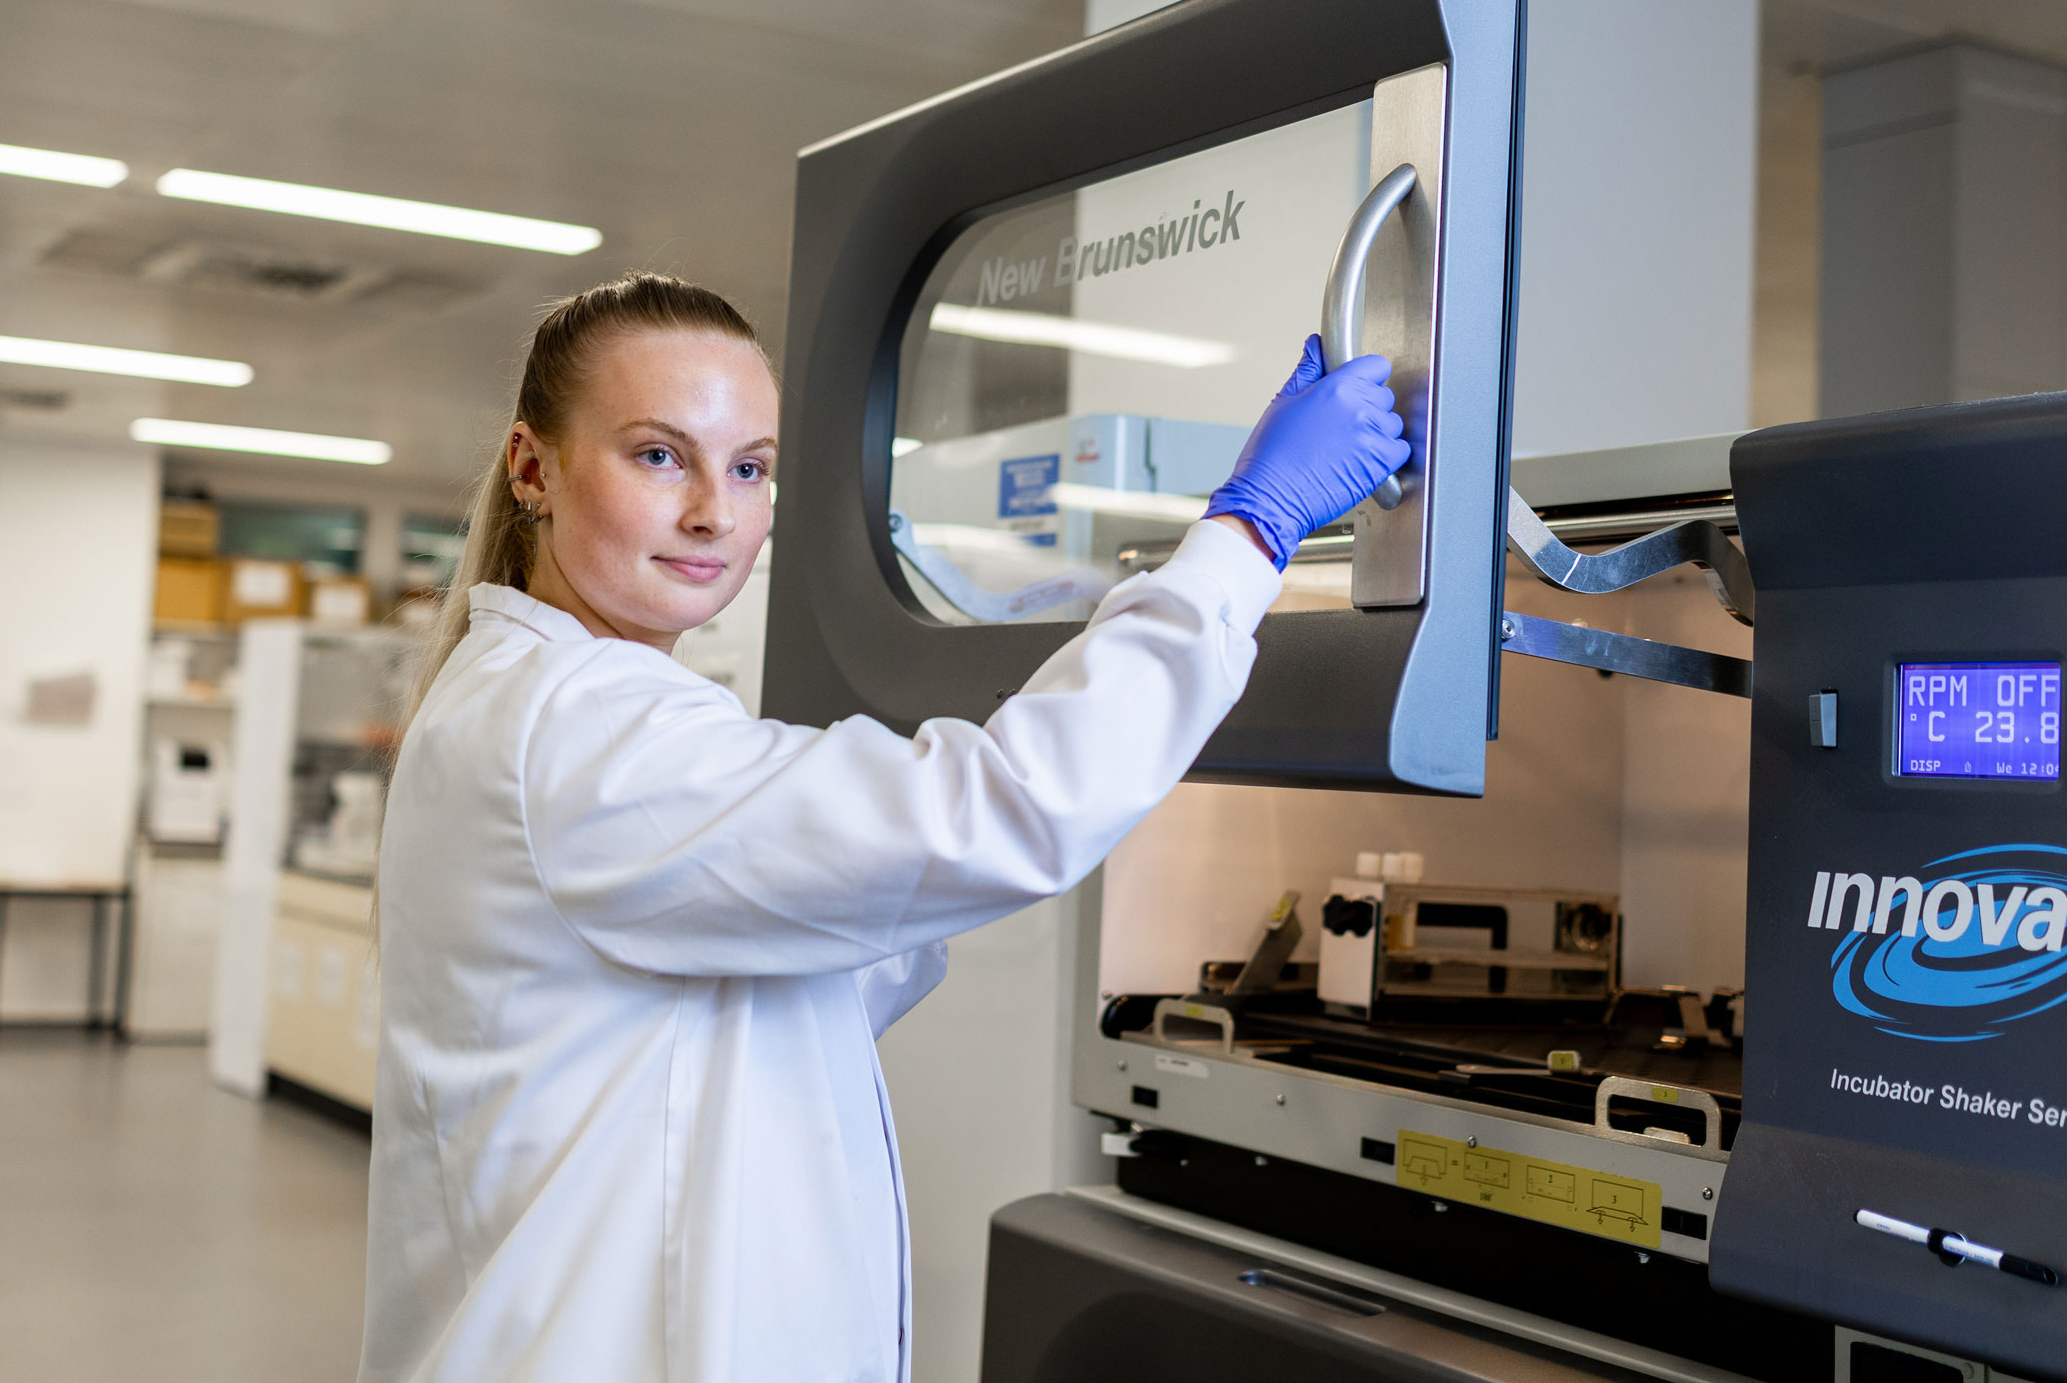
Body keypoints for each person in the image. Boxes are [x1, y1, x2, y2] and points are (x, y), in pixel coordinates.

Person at [360, 272, 1408, 1383]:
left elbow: (754, 980)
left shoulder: (539, 701)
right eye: (659, 455)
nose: (716, 510)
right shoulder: (579, 725)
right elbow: (1002, 815)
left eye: (751, 466)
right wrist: (1249, 533)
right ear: (535, 467)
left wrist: (916, 835)